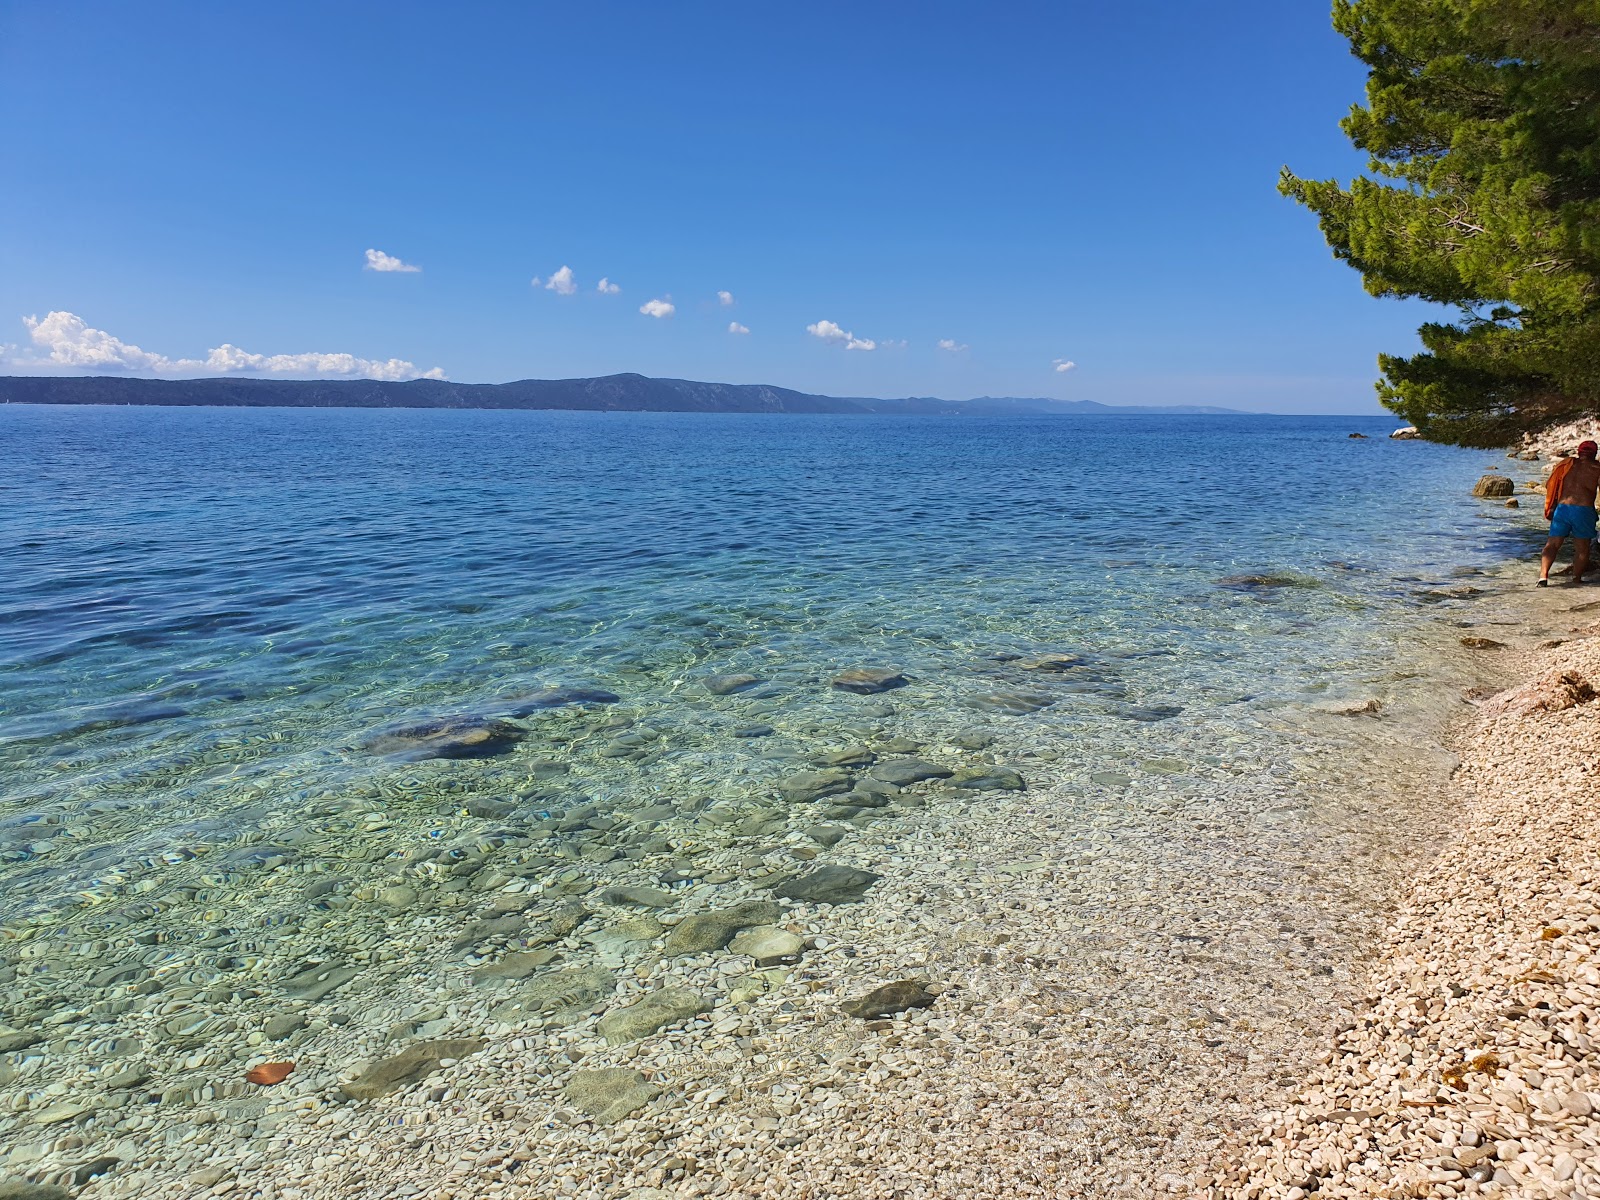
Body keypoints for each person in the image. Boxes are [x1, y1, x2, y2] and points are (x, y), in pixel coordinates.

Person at [1539, 440, 1600, 587]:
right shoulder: (1597, 468)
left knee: (1552, 544)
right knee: (1582, 548)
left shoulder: (1567, 464)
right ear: (1595, 453)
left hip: (1562, 509)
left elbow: (1551, 483)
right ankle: (1576, 579)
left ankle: (1543, 576)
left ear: (1579, 452)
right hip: (1583, 511)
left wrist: (1552, 505)